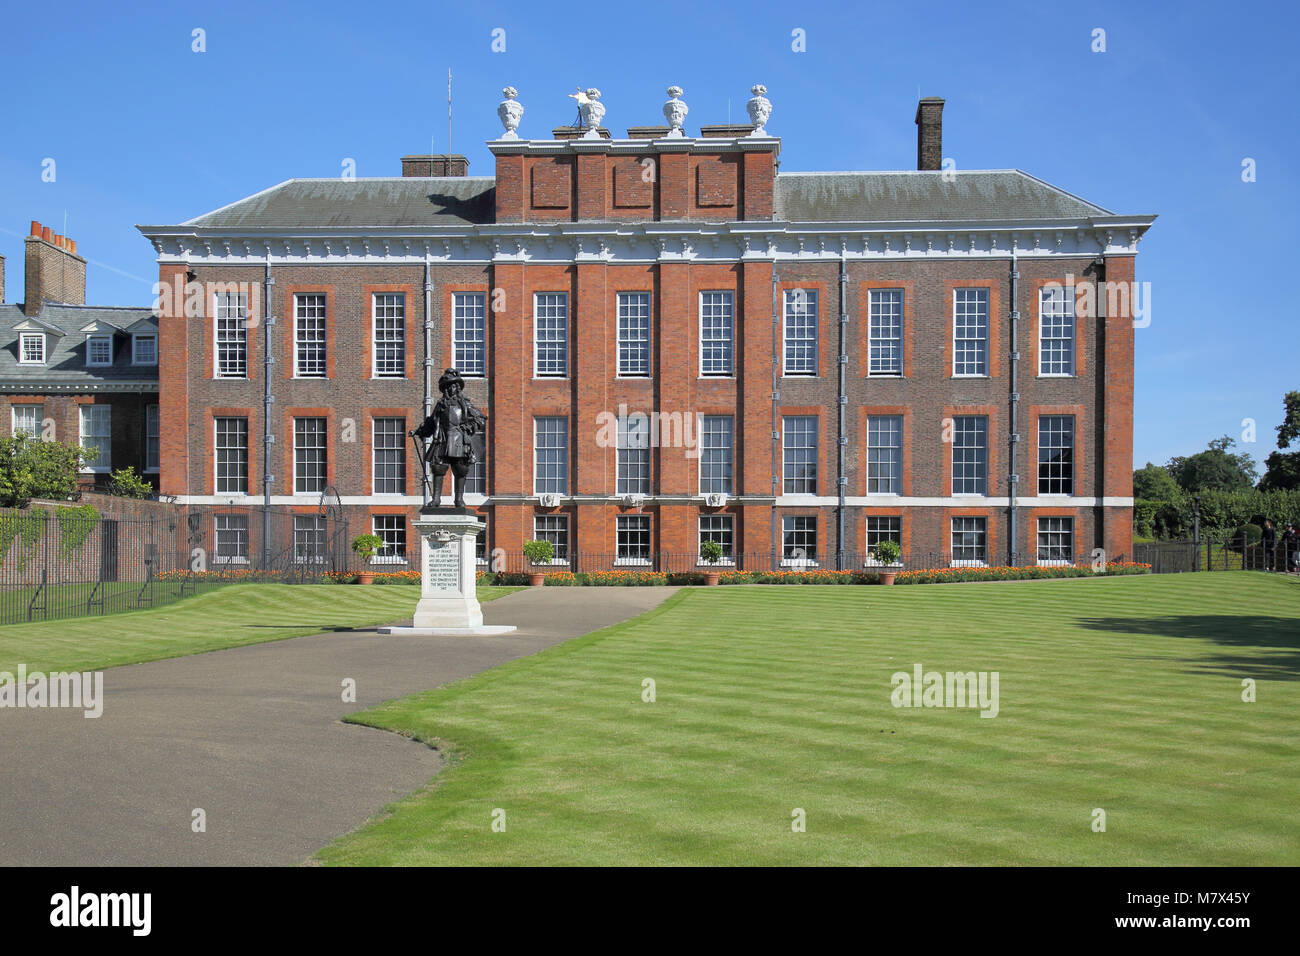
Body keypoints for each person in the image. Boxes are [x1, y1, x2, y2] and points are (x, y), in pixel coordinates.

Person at [411, 368, 487, 510]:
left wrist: (467, 428)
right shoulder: (441, 405)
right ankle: (436, 499)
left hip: (459, 440)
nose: (451, 389)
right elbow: (431, 423)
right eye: (448, 386)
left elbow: (480, 418)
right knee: (438, 468)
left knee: (460, 469)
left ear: (457, 387)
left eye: (453, 386)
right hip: (443, 439)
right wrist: (419, 431)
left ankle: (459, 499)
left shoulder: (465, 404)